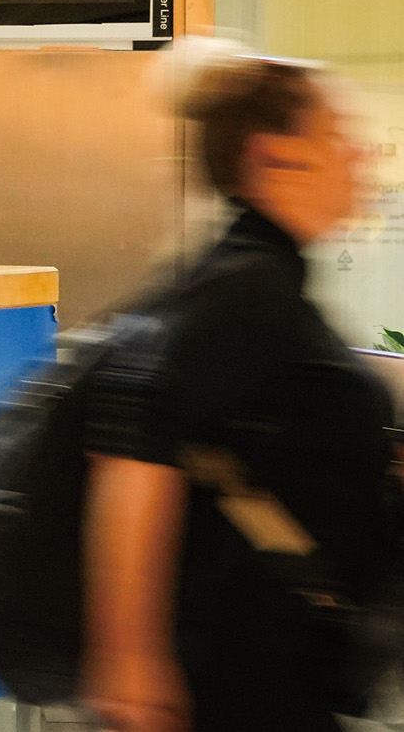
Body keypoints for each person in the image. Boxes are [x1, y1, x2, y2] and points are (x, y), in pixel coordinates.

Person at [82, 46, 404, 732]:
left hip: (269, 670)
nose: (359, 155)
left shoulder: (262, 279)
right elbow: (133, 447)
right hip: (229, 678)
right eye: (337, 136)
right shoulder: (247, 287)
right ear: (275, 156)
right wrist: (130, 662)